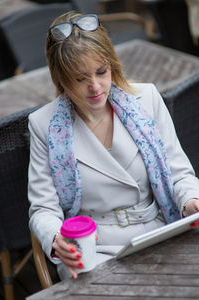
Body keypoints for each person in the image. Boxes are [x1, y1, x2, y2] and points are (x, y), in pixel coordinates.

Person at [28, 11, 199, 280]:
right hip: (92, 247)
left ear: (112, 65)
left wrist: (191, 200)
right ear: (61, 78)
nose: (95, 87)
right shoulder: (43, 124)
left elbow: (178, 173)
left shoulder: (147, 99)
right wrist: (54, 237)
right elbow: (43, 208)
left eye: (101, 72)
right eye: (80, 78)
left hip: (159, 231)